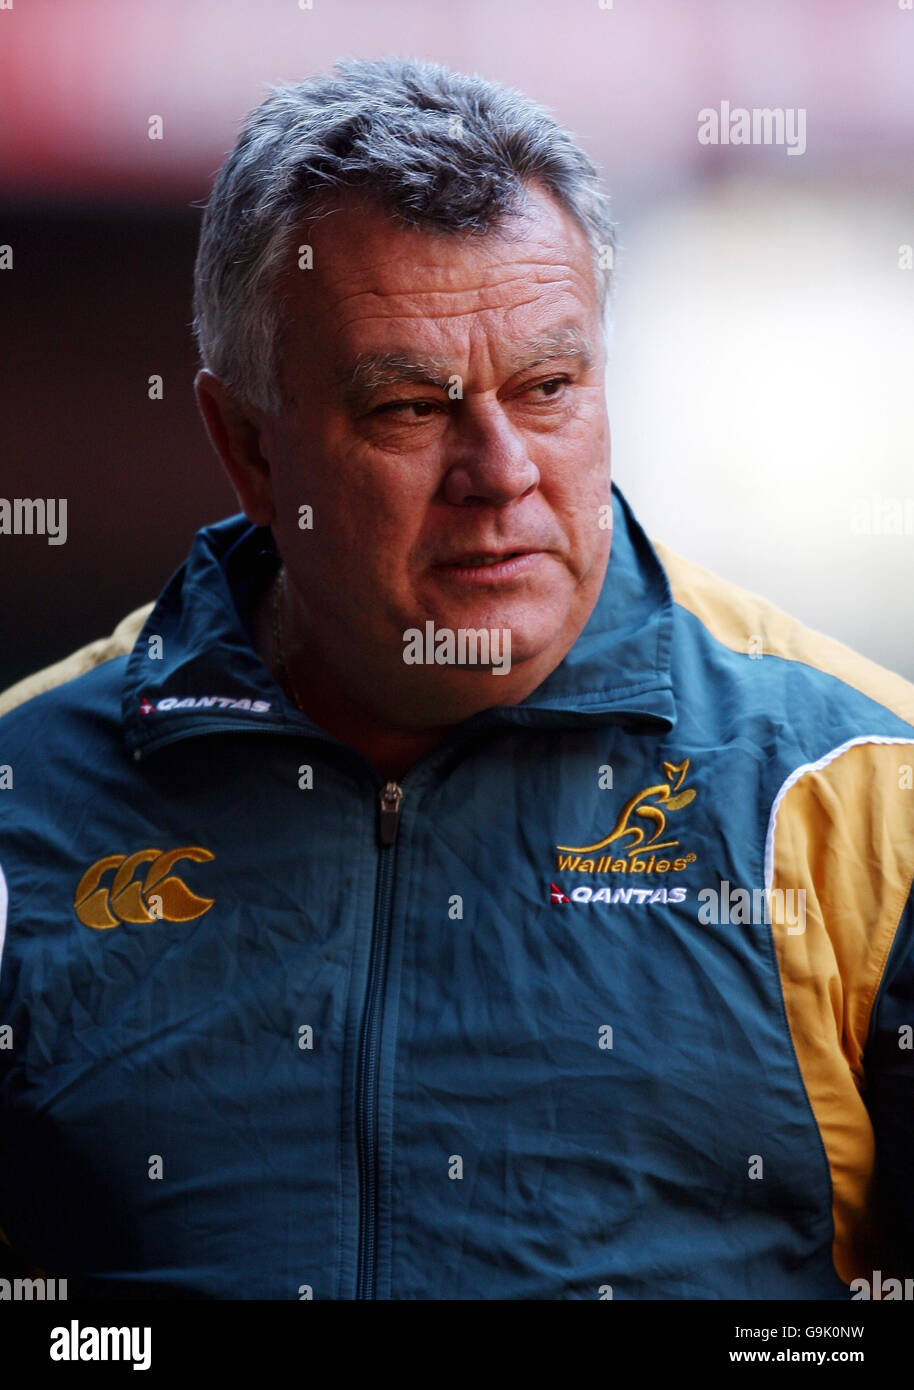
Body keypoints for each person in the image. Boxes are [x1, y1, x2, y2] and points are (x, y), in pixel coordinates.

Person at [1, 55, 912, 1302]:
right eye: (409, 410)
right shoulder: (25, 801)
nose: (501, 472)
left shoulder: (863, 794)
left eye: (547, 388)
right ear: (248, 447)